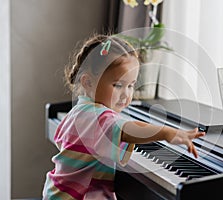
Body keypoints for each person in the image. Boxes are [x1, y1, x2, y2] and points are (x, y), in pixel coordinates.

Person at [42, 33, 205, 200]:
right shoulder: (95, 117)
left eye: (131, 85)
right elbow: (127, 129)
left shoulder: (81, 110)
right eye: (118, 85)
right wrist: (167, 133)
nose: (126, 94)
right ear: (88, 82)